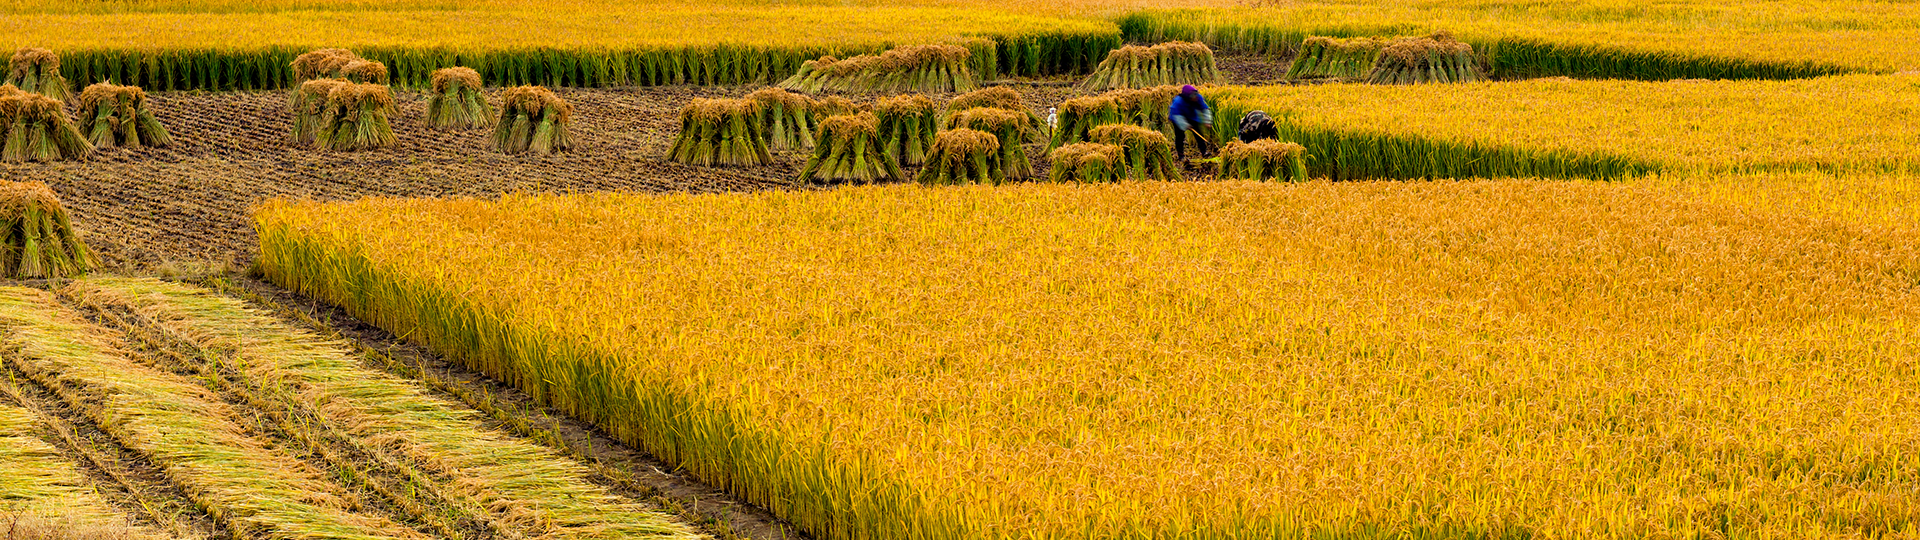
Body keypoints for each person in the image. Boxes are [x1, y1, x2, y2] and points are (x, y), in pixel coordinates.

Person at [1168, 85, 1214, 161]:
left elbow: (1205, 109)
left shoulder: (1198, 97)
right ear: (1187, 96)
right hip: (1178, 118)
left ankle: (1204, 152)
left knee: (1199, 134)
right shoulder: (1178, 101)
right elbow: (1176, 115)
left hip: (1192, 116)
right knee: (1180, 137)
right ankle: (1181, 156)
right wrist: (1185, 125)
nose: (1195, 98)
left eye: (1195, 95)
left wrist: (1207, 121)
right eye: (1192, 96)